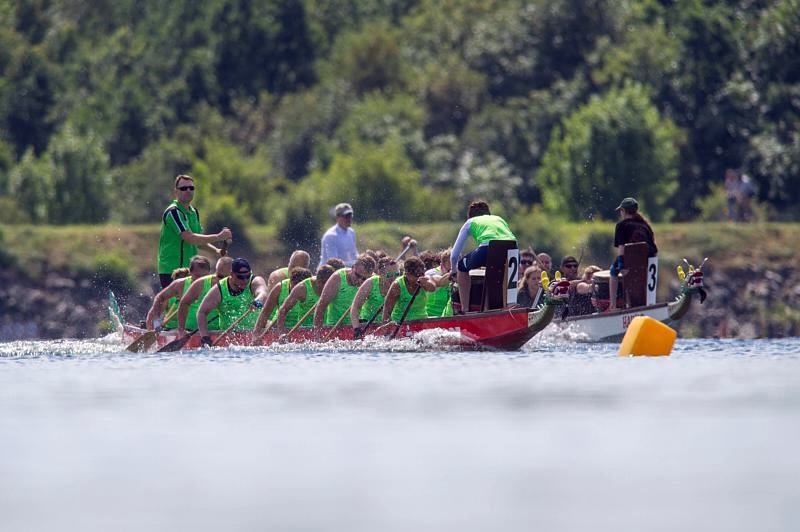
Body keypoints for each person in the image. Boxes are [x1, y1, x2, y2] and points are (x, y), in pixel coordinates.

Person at [157, 174, 232, 288]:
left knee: (190, 304)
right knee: (175, 305)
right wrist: (218, 236)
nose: (188, 191)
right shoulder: (173, 212)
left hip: (191, 270)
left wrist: (216, 250)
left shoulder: (194, 212)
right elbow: (190, 238)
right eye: (183, 188)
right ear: (176, 192)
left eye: (191, 188)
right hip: (172, 270)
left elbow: (198, 241)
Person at [450, 200, 517, 313]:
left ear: (469, 216)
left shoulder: (470, 222)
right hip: (513, 248)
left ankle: (464, 310)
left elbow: (454, 255)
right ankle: (508, 306)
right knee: (500, 270)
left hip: (488, 248)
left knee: (462, 266)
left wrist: (453, 270)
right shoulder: (499, 218)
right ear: (488, 213)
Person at [196, 258, 268, 345]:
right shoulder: (219, 289)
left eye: (247, 276)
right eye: (240, 277)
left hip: (255, 333)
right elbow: (201, 312)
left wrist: (257, 300)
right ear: (231, 274)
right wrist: (205, 337)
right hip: (228, 337)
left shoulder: (255, 281)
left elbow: (263, 293)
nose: (245, 280)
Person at [608, 197, 658, 310]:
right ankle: (648, 303)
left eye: (621, 211)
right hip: (648, 261)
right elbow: (654, 249)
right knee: (637, 275)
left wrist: (621, 264)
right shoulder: (646, 226)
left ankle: (613, 306)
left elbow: (621, 247)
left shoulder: (621, 225)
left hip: (630, 259)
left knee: (613, 272)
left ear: (624, 211)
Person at [313, 254, 376, 335]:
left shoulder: (372, 281)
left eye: (364, 279)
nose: (359, 281)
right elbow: (321, 306)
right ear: (353, 267)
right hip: (334, 328)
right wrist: (317, 335)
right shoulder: (337, 278)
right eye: (357, 275)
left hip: (357, 327)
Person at [145, 256, 211, 330]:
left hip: (210, 331)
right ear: (190, 273)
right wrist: (156, 324)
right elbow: (158, 300)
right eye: (198, 276)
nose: (201, 280)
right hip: (181, 332)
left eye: (204, 276)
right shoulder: (178, 286)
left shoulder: (214, 284)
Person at [175, 256, 233, 337]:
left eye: (227, 277)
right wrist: (181, 330)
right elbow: (184, 303)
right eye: (220, 276)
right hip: (196, 332)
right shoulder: (201, 283)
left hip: (223, 331)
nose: (222, 281)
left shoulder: (241, 283)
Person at [274, 265, 336, 336]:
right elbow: (283, 310)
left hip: (327, 329)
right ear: (319, 282)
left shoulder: (335, 283)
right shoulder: (301, 288)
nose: (329, 288)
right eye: (327, 285)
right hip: (305, 331)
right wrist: (282, 333)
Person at [251, 267, 313, 339]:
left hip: (304, 327)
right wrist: (255, 335)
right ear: (290, 282)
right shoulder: (279, 288)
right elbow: (265, 313)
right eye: (295, 287)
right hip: (279, 326)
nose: (297, 291)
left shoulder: (311, 287)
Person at [381, 256, 437, 324]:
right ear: (407, 273)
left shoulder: (424, 279)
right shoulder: (397, 285)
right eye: (415, 275)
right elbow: (387, 310)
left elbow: (433, 288)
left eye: (420, 274)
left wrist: (426, 283)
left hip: (422, 321)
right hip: (401, 323)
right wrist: (387, 328)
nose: (418, 277)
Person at [349, 256, 400, 330]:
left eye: (397, 274)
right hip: (368, 325)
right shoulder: (370, 283)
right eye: (389, 275)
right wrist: (356, 329)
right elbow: (355, 308)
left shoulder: (401, 283)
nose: (394, 278)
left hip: (391, 324)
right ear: (380, 274)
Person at [319, 203, 358, 268]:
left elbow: (354, 255)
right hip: (327, 274)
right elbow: (334, 264)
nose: (349, 219)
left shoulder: (351, 232)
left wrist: (363, 259)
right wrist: (356, 264)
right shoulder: (330, 236)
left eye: (350, 215)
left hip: (344, 271)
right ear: (337, 217)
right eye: (346, 216)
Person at [425, 249, 453, 318]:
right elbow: (441, 281)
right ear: (442, 264)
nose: (454, 267)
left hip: (447, 315)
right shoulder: (430, 273)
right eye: (451, 263)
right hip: (430, 315)